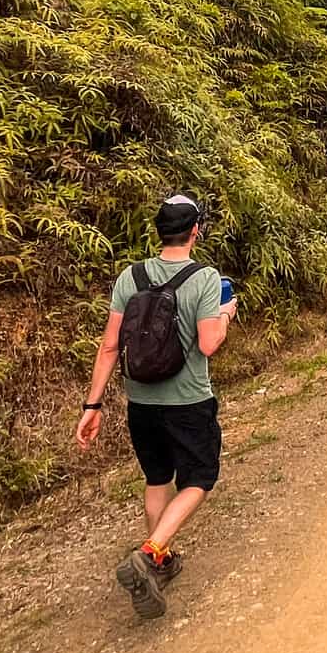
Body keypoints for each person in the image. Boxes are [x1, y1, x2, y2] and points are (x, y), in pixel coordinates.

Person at [76, 192, 231, 619]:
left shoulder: (131, 277)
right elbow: (208, 343)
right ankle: (149, 552)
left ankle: (159, 564)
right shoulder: (203, 278)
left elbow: (109, 346)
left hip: (140, 401)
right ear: (195, 231)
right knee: (199, 478)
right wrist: (225, 315)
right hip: (188, 401)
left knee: (157, 477)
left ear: (159, 231)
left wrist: (93, 404)